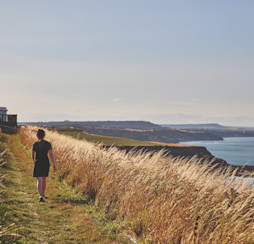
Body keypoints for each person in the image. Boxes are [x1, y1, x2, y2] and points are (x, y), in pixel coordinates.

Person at [32, 129, 56, 202]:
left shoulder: (35, 144)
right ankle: (42, 193)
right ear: (44, 135)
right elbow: (51, 154)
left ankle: (41, 196)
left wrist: (34, 161)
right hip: (45, 162)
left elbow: (32, 155)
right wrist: (54, 164)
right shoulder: (48, 144)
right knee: (44, 179)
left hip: (38, 162)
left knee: (39, 180)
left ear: (37, 135)